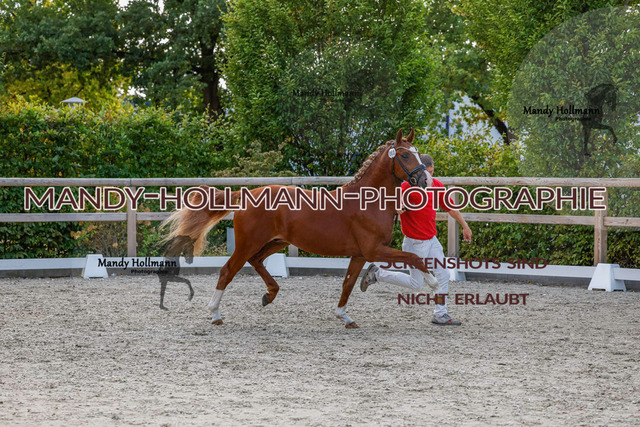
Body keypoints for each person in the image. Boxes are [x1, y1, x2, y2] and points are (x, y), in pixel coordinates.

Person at [360, 154, 472, 325]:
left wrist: (465, 226)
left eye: (432, 172)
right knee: (415, 283)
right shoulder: (407, 186)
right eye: (427, 173)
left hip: (431, 240)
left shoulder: (436, 185)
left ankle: (440, 314)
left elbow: (451, 208)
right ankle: (377, 274)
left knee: (443, 274)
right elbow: (391, 200)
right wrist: (397, 206)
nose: (429, 177)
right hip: (414, 243)